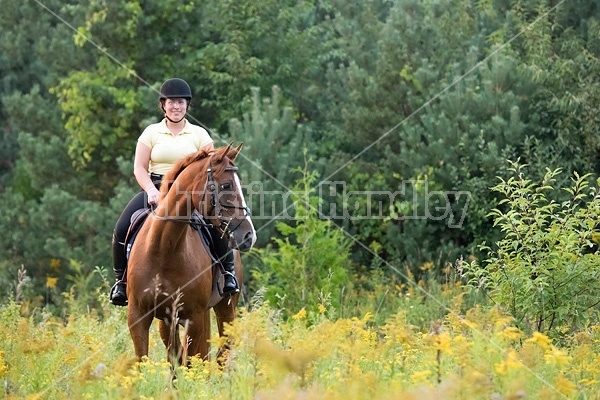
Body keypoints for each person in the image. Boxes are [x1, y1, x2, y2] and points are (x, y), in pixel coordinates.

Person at [109, 78, 239, 306]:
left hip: (189, 193)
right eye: (172, 102)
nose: (176, 106)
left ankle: (228, 273)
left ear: (187, 105)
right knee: (122, 227)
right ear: (163, 105)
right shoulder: (152, 132)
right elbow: (139, 167)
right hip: (156, 188)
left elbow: (213, 167)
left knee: (216, 225)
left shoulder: (199, 134)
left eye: (181, 102)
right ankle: (121, 281)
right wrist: (150, 189)